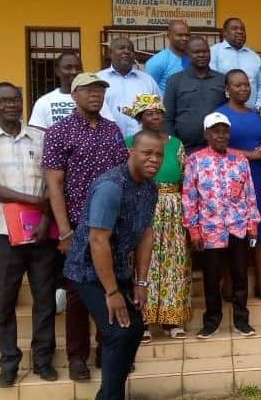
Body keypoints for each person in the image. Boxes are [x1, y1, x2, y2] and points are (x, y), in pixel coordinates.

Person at [0, 82, 59, 386]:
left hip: (42, 231)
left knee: (45, 298)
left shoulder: (42, 137)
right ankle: (8, 362)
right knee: (4, 301)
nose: (11, 105)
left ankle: (43, 359)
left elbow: (52, 182)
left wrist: (46, 216)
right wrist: (34, 201)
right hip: (3, 233)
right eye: (3, 101)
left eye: (16, 99)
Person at [64, 130, 163, 400]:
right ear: (131, 152)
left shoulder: (150, 187)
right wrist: (112, 292)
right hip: (86, 270)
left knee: (134, 328)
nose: (154, 159)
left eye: (159, 154)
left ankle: (110, 394)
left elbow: (146, 233)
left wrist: (140, 282)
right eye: (147, 153)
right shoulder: (111, 187)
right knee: (119, 332)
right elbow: (98, 240)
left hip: (118, 267)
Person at [42, 73, 129, 381]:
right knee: (78, 294)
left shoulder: (112, 130)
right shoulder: (58, 132)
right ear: (74, 95)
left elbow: (123, 175)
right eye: (89, 90)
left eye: (100, 90)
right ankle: (77, 356)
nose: (95, 95)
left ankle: (108, 350)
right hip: (78, 226)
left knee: (112, 285)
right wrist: (65, 231)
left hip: (111, 225)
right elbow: (54, 185)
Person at [182, 112, 261, 339]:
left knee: (239, 276)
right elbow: (189, 197)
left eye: (225, 131)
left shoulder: (240, 160)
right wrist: (194, 231)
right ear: (206, 134)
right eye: (215, 131)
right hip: (210, 229)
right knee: (211, 277)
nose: (221, 136)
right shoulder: (195, 160)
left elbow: (249, 194)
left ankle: (241, 320)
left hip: (237, 226)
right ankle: (212, 321)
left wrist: (252, 225)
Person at [123, 94, 190, 341]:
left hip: (173, 208)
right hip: (142, 205)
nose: (155, 117)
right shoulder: (130, 143)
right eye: (149, 113)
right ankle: (143, 321)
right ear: (140, 118)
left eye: (159, 113)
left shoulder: (176, 144)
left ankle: (172, 320)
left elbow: (184, 177)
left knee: (174, 262)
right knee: (144, 263)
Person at [217, 70, 261, 301]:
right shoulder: (221, 114)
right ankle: (229, 283)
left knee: (260, 230)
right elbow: (218, 147)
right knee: (233, 229)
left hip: (258, 177)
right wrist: (250, 155)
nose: (243, 89)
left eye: (246, 85)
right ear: (227, 89)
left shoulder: (255, 115)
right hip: (232, 178)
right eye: (237, 85)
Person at [165, 36, 226, 154]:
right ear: (187, 54)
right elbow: (167, 118)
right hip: (185, 148)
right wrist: (174, 146)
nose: (201, 55)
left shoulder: (222, 80)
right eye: (196, 52)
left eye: (205, 51)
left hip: (217, 147)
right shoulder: (175, 80)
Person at [99, 36, 161, 137]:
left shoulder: (147, 80)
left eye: (130, 49)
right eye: (121, 48)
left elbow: (159, 112)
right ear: (110, 53)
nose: (127, 51)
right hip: (107, 141)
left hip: (142, 142)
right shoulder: (99, 80)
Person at [210, 18, 261, 110]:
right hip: (222, 113)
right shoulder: (213, 52)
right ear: (225, 33)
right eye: (234, 28)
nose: (240, 32)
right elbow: (211, 83)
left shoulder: (254, 56)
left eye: (242, 29)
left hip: (251, 112)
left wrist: (259, 106)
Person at [29, 52, 83, 130]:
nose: (74, 72)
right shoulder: (44, 102)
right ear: (57, 71)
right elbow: (36, 134)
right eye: (68, 68)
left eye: (78, 68)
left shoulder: (93, 99)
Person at [145, 20, 191, 92]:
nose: (185, 38)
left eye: (187, 35)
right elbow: (147, 91)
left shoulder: (194, 59)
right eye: (180, 35)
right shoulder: (157, 61)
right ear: (169, 36)